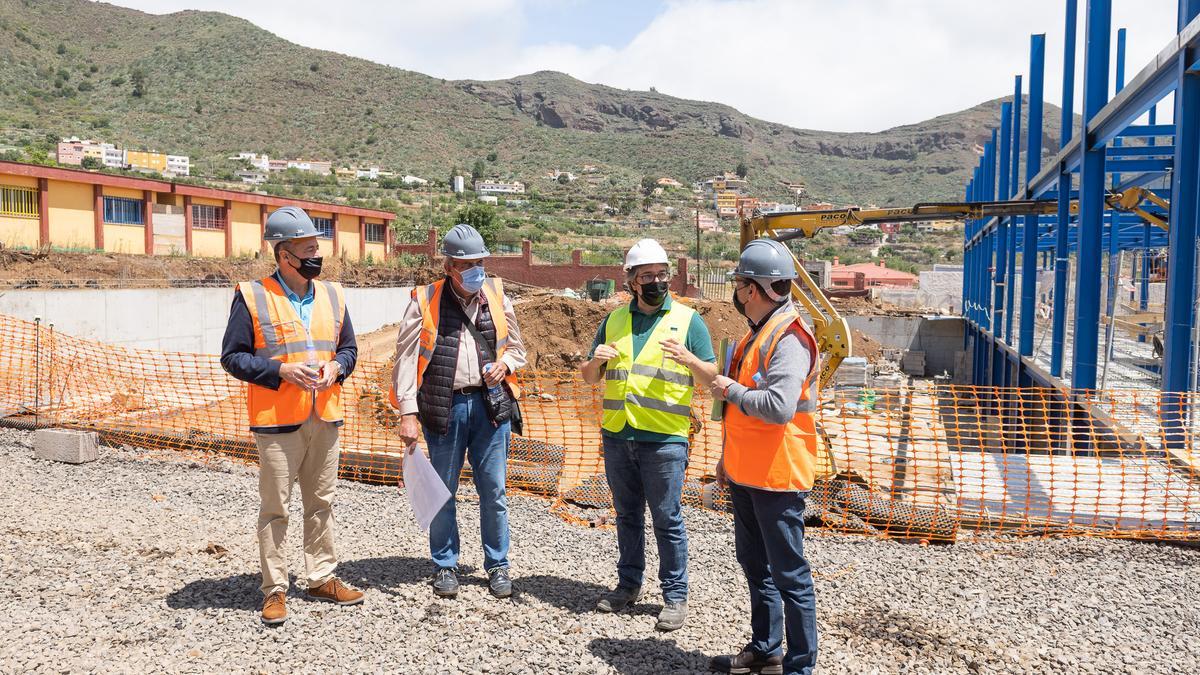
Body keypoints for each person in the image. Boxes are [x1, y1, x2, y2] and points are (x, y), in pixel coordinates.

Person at [220, 205, 363, 626]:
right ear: (284, 256)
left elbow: (349, 349)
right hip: (278, 419)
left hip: (326, 414)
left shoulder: (334, 295)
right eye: (308, 249)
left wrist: (339, 366)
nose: (316, 256)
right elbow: (232, 357)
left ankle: (320, 577)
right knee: (276, 508)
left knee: (321, 503)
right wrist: (280, 370)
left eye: (317, 248)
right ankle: (275, 588)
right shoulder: (253, 295)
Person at [579, 238, 717, 632]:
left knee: (667, 519)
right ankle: (628, 585)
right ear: (632, 282)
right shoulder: (614, 321)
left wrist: (689, 359)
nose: (656, 281)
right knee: (626, 516)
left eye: (661, 275)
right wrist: (595, 361)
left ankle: (674, 596)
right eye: (647, 276)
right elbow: (590, 377)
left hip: (665, 438)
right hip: (618, 435)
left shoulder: (690, 322)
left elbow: (712, 379)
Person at [390, 223, 527, 600]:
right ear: (449, 266)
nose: (476, 270)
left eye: (480, 262)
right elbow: (404, 358)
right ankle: (445, 565)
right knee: (443, 490)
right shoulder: (425, 299)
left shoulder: (496, 295)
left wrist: (507, 365)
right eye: (468, 264)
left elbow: (517, 348)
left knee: (494, 491)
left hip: (490, 407)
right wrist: (408, 412)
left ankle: (498, 565)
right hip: (443, 407)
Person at [708, 238, 820, 675]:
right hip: (746, 471)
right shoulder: (759, 332)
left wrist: (730, 389)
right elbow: (744, 414)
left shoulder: (789, 337)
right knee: (756, 564)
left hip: (778, 476)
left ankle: (798, 666)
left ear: (752, 289)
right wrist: (726, 458)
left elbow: (778, 407)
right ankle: (766, 648)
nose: (736, 292)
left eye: (738, 284)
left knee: (790, 575)